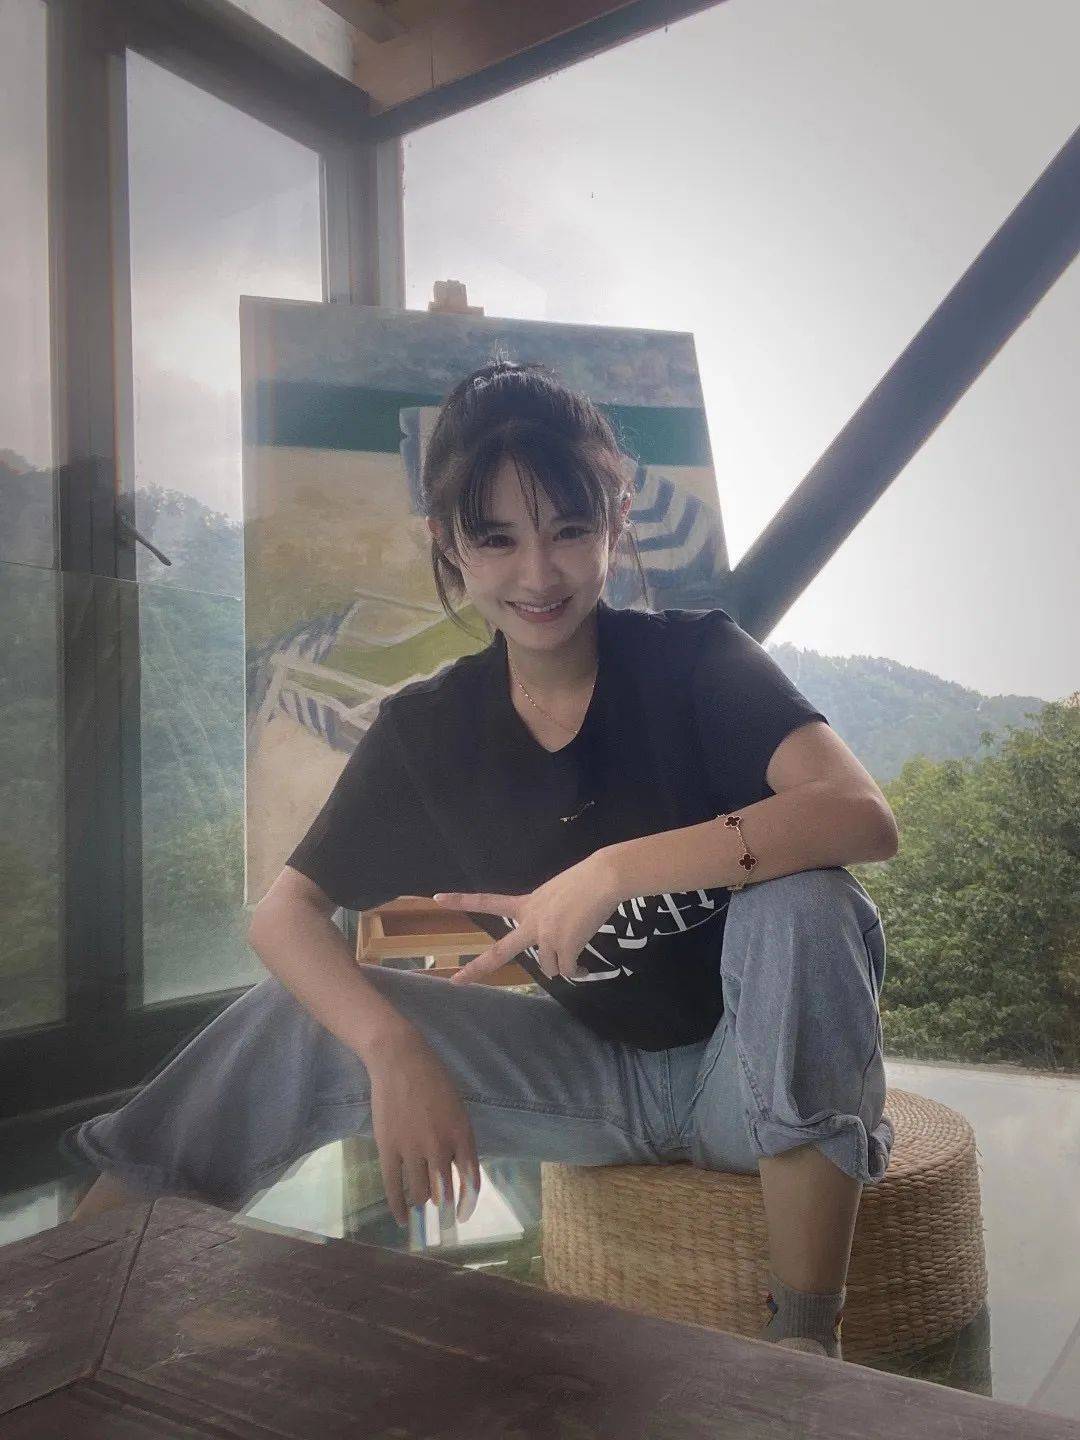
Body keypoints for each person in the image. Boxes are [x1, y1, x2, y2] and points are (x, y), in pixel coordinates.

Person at [64, 359, 897, 1362]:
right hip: (591, 1078)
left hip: (746, 1068)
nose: (538, 575)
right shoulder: (429, 733)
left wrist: (614, 870)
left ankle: (806, 1344)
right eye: (496, 538)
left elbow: (861, 816)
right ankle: (68, 1293)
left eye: (568, 530)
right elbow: (283, 916)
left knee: (805, 903)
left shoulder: (695, 663)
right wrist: (393, 1049)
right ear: (448, 543)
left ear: (617, 521)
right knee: (292, 1015)